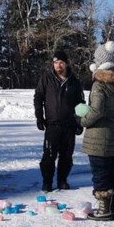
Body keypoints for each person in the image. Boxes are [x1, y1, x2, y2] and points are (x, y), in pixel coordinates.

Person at [78, 41, 114, 221]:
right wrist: (113, 119)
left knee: (100, 173)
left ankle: (104, 210)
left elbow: (97, 110)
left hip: (98, 137)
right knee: (112, 173)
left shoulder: (99, 83)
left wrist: (82, 120)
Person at [33, 49, 86, 192]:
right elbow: (38, 97)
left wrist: (79, 122)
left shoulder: (74, 82)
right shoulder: (46, 78)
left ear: (66, 64)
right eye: (55, 63)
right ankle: (47, 182)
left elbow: (80, 104)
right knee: (49, 155)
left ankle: (62, 180)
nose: (58, 65)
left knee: (66, 157)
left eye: (61, 63)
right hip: (52, 124)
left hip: (69, 125)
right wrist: (39, 116)